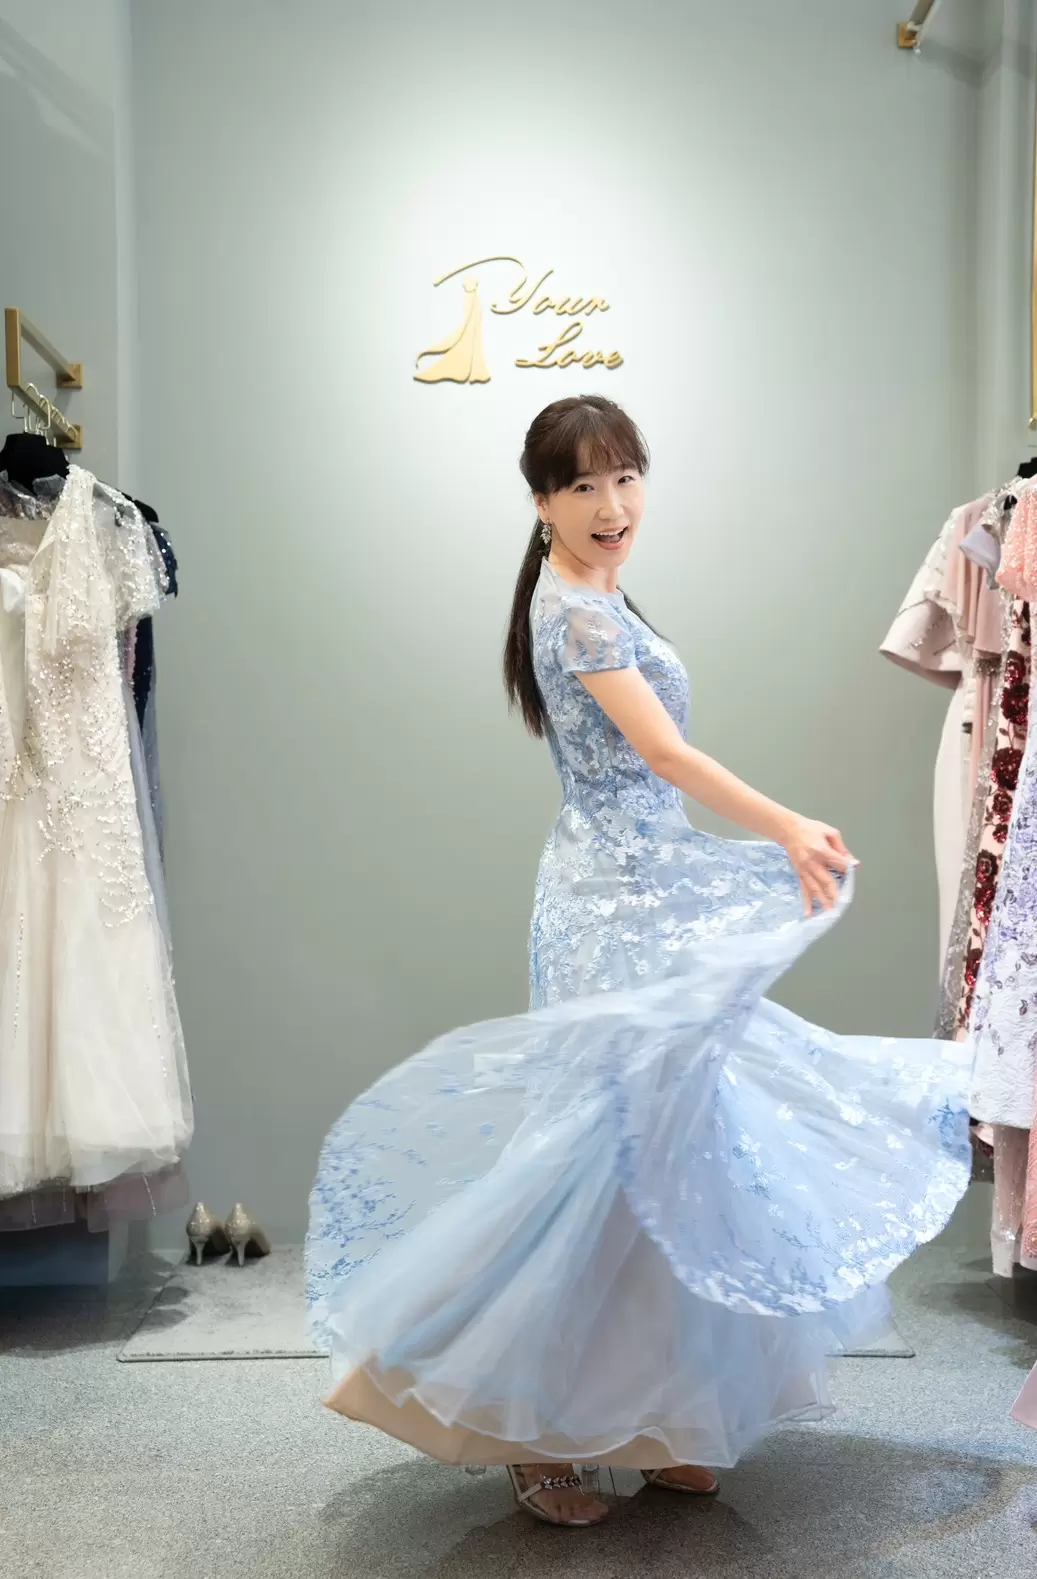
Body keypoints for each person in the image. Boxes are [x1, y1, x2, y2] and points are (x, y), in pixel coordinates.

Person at [307, 396, 972, 1528]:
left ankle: (660, 1422)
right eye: (581, 486)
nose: (610, 505)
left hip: (643, 884)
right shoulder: (574, 616)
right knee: (596, 1158)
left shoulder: (600, 595)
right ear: (540, 502)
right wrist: (785, 826)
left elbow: (652, 777)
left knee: (671, 1150)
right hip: (606, 908)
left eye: (624, 477)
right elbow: (660, 753)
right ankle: (524, 1433)